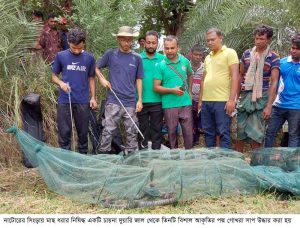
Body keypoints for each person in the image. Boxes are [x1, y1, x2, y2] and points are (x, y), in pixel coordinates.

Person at [96, 26, 144, 154]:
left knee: (132, 131)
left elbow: (139, 79)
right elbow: (97, 68)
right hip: (113, 100)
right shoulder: (110, 54)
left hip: (130, 102)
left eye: (129, 40)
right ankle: (104, 155)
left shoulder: (137, 58)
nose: (127, 43)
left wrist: (139, 100)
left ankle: (132, 157)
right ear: (118, 39)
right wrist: (102, 80)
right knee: (108, 130)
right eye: (124, 40)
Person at [51, 28, 97, 154]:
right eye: (73, 48)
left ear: (84, 43)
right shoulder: (61, 56)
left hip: (82, 100)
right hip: (65, 100)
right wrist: (61, 83)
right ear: (69, 42)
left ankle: (82, 157)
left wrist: (93, 97)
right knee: (64, 132)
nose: (76, 51)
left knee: (83, 133)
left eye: (79, 48)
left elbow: (91, 78)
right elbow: (54, 76)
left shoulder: (89, 58)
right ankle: (66, 158)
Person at [236, 25, 280, 152]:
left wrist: (269, 106)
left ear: (269, 40)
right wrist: (236, 98)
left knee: (257, 134)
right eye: (256, 38)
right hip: (245, 97)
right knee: (240, 131)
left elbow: (274, 81)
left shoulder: (273, 57)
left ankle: (256, 165)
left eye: (261, 39)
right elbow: (240, 75)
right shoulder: (246, 54)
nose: (258, 41)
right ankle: (238, 162)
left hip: (262, 98)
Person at [198, 28, 239, 148]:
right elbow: (203, 80)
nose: (210, 42)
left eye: (213, 39)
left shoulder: (230, 53)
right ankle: (211, 161)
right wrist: (200, 100)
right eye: (208, 40)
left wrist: (232, 100)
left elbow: (235, 76)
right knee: (208, 132)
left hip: (222, 101)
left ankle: (224, 160)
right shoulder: (207, 57)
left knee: (223, 132)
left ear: (220, 38)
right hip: (206, 101)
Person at [154, 35, 193, 149]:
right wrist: (172, 90)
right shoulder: (160, 65)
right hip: (169, 104)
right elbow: (156, 87)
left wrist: (190, 92)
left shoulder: (185, 61)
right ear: (163, 49)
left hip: (185, 102)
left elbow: (190, 74)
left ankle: (189, 157)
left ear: (178, 48)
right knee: (171, 133)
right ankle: (174, 158)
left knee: (188, 132)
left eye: (172, 48)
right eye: (167, 48)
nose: (169, 51)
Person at [265, 33, 300, 147]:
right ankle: (266, 159)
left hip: (296, 106)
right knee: (270, 132)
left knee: (293, 135)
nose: (293, 51)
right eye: (292, 48)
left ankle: (291, 162)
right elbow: (273, 82)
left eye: (297, 49)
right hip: (279, 105)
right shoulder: (282, 62)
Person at [137, 31, 164, 149]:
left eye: (154, 43)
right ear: (144, 43)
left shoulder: (163, 59)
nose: (151, 45)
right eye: (148, 42)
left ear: (157, 43)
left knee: (156, 130)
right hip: (140, 101)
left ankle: (156, 155)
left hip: (158, 100)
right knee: (142, 130)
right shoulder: (137, 58)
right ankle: (143, 155)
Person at [190, 44, 204, 145]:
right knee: (190, 121)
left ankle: (197, 140)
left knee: (199, 121)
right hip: (188, 99)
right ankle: (191, 141)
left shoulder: (205, 67)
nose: (198, 57)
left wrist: (201, 100)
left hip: (200, 99)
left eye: (200, 55)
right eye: (196, 54)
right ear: (191, 54)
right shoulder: (186, 65)